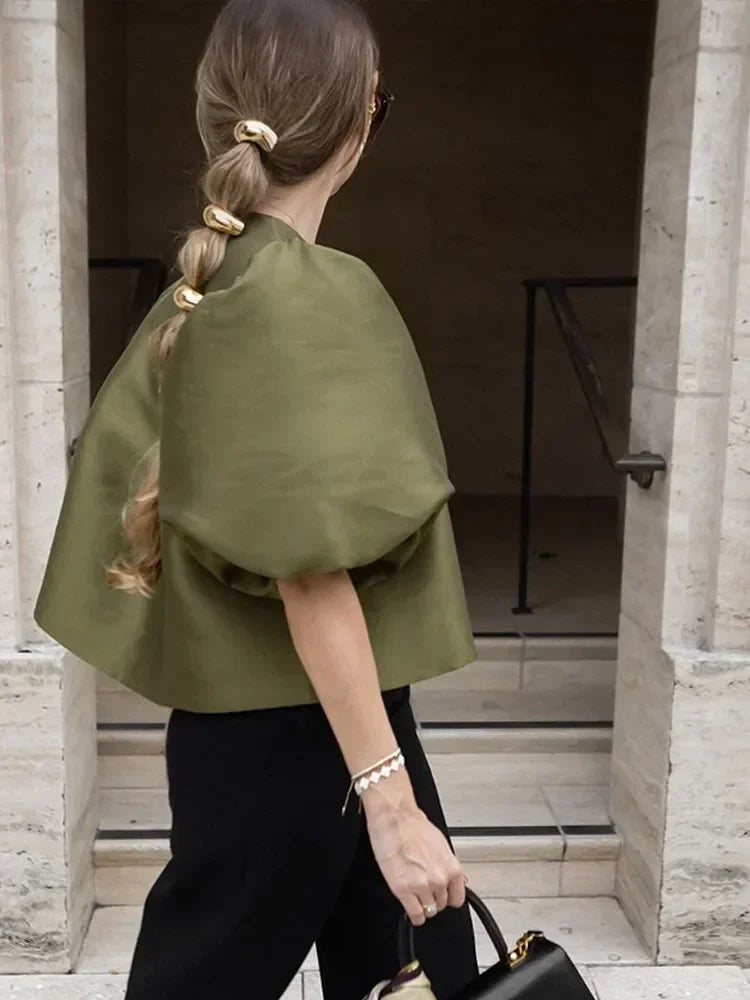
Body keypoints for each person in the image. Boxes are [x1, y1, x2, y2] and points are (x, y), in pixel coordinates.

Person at [35, 0, 479, 997]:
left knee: (421, 971)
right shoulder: (306, 295)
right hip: (311, 740)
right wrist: (391, 803)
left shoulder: (212, 288)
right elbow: (311, 570)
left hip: (277, 735)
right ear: (362, 115)